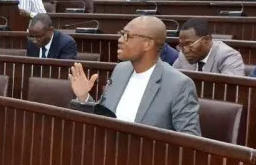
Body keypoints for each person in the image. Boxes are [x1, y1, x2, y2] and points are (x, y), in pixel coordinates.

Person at [67, 16, 201, 135]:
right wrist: (84, 97)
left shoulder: (179, 84)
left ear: (147, 44)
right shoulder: (120, 70)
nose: (120, 40)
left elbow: (190, 141)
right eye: (121, 34)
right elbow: (105, 118)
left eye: (127, 36)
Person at [172, 18, 245, 76]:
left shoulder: (229, 56)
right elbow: (170, 81)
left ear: (206, 40)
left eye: (189, 44)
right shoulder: (183, 55)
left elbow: (230, 90)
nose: (185, 50)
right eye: (182, 45)